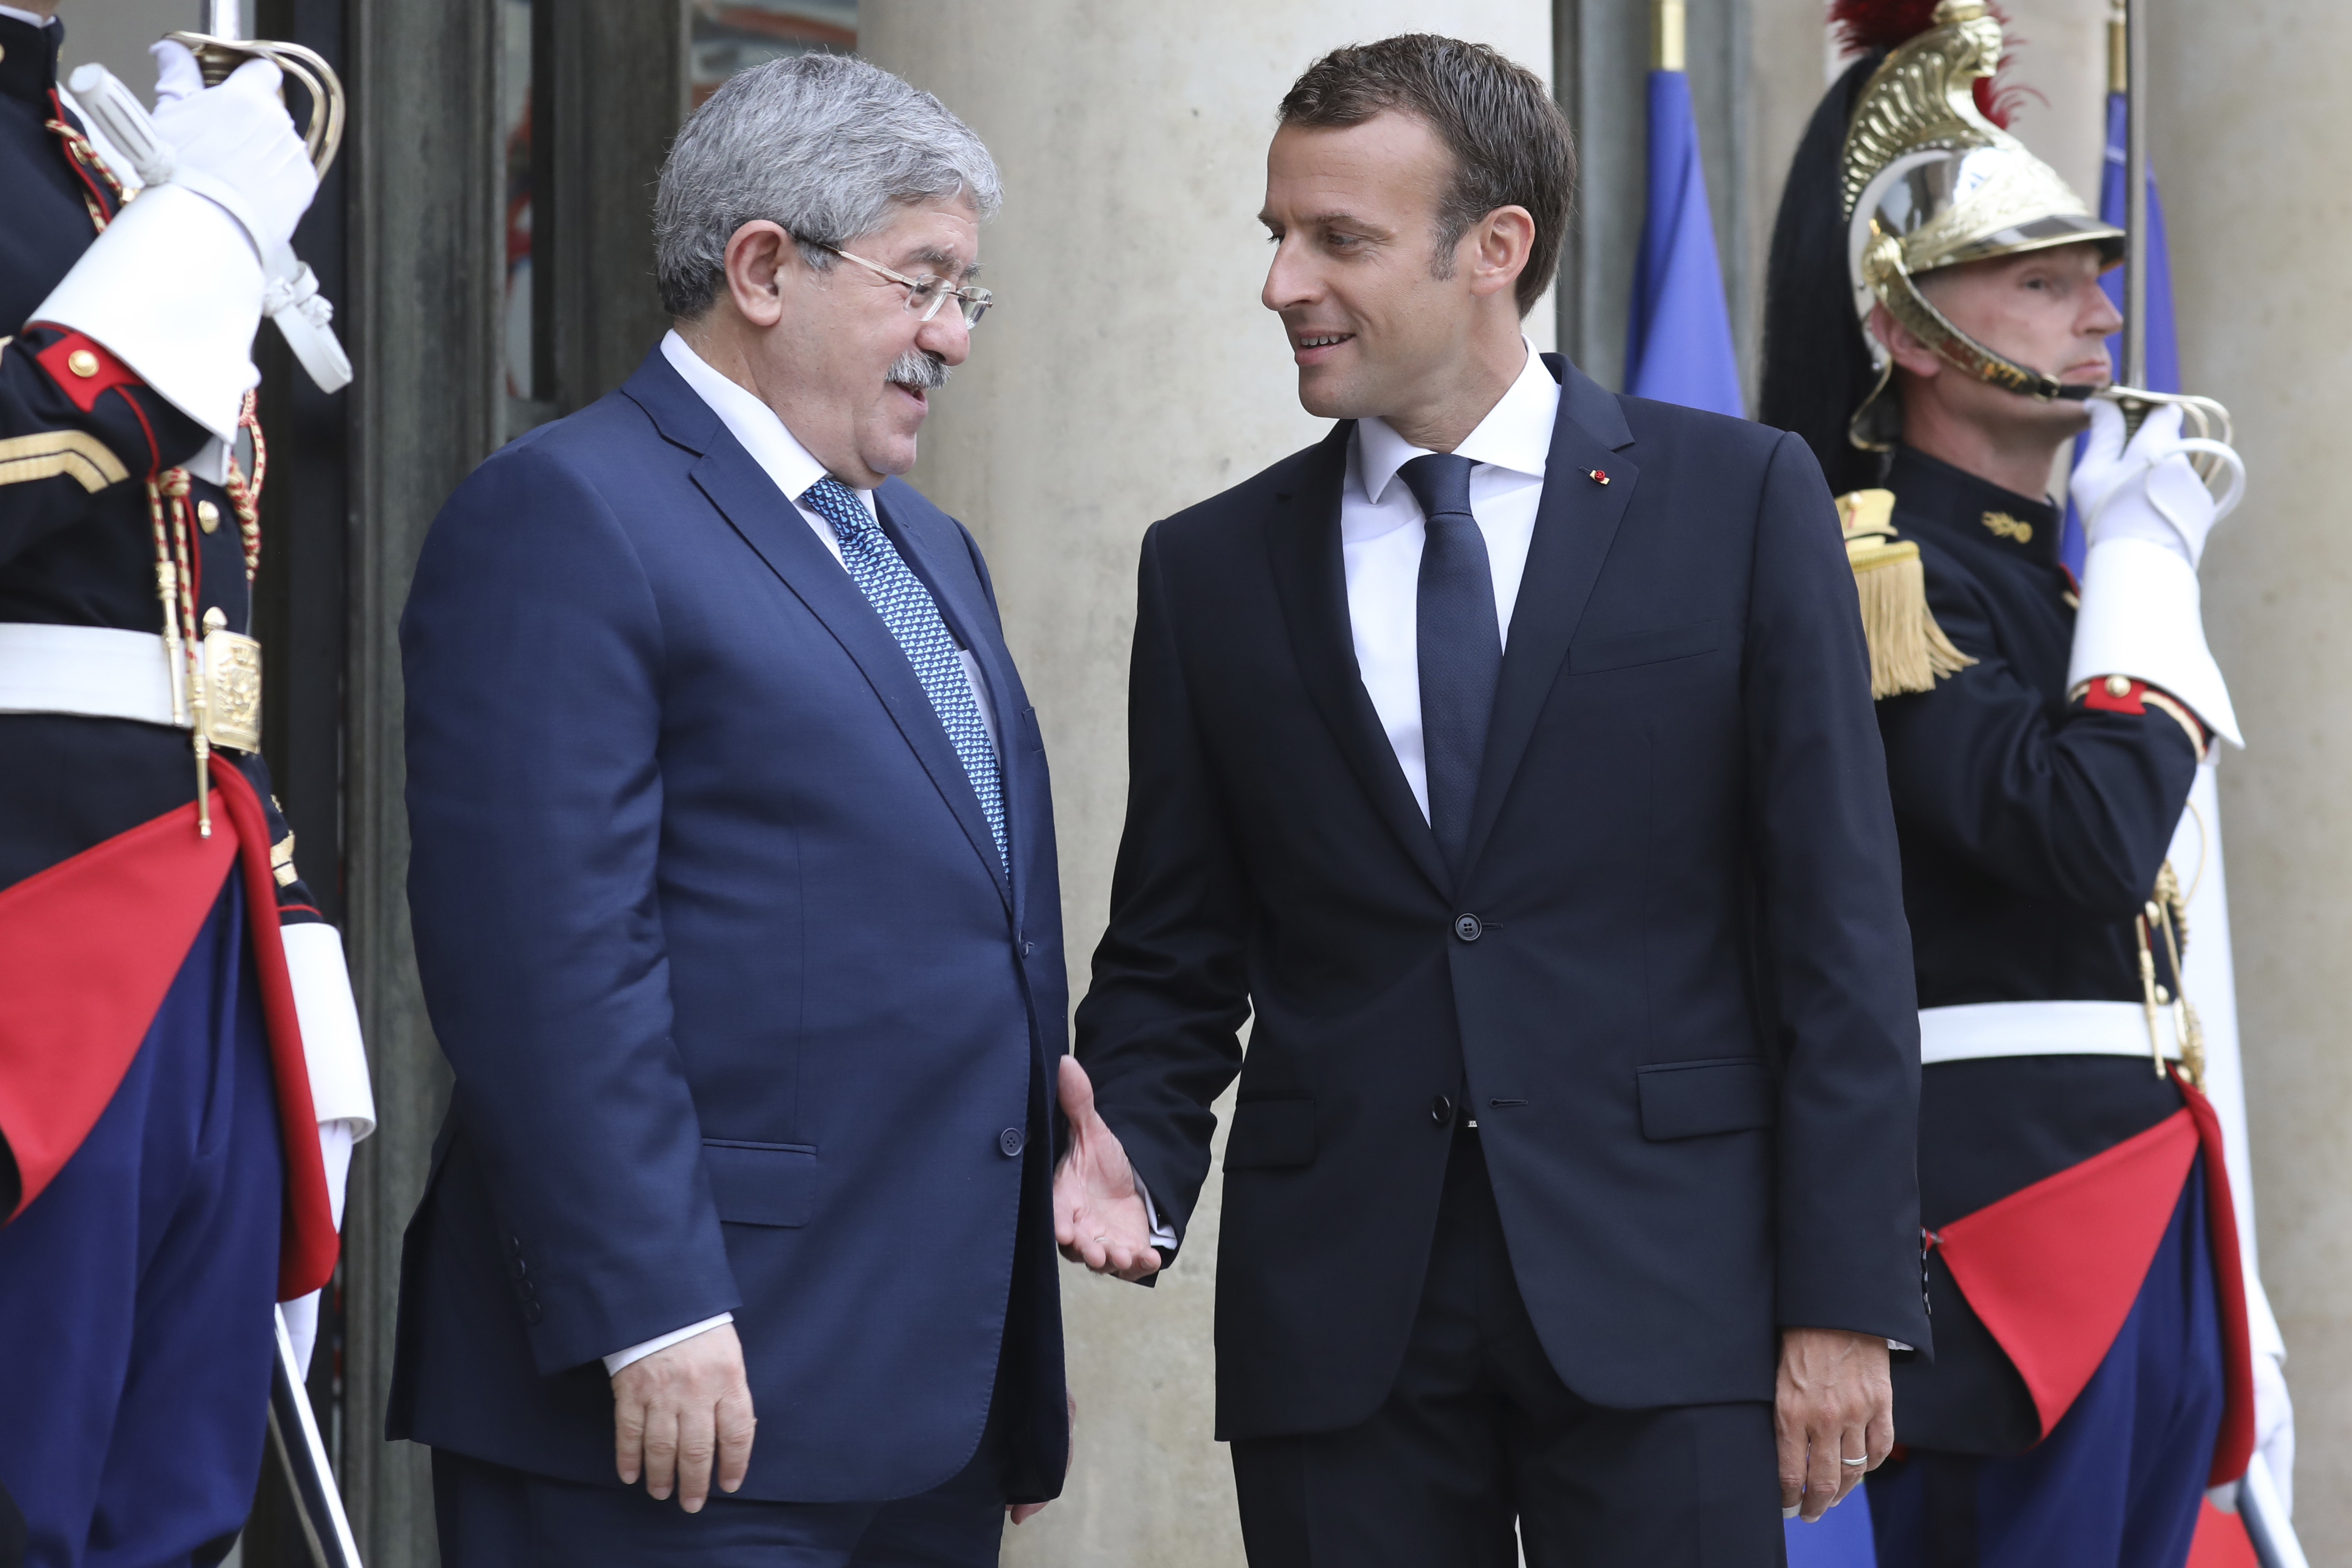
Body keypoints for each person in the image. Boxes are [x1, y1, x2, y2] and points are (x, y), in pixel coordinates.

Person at [1051, 33, 1930, 1566]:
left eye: (1339, 239)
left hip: (1670, 1302)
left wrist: (1842, 1299)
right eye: (1277, 235)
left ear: (1494, 249)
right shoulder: (1208, 569)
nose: (1281, 283)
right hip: (1339, 1324)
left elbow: (1838, 931)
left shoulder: (1739, 500)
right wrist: (1136, 1141)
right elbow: (1175, 947)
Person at [394, 53, 1072, 1564]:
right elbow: (543, 959)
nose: (952, 337)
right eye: (925, 282)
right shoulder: (566, 511)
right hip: (681, 1394)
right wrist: (652, 1304)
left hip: (922, 1392)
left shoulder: (932, 549)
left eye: (970, 294)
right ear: (763, 267)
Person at [1757, 3, 2286, 1562]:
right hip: (2006, 1218)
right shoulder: (1882, 574)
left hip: (2139, 1183)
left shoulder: (2026, 584)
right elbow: (2081, 835)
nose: (2097, 320)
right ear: (1911, 331)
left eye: (2093, 280)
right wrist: (2140, 566)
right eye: (2040, 284)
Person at [0, 9, 374, 1564]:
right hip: (34, 908)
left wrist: (270, 885)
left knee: (173, 1501)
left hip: (192, 887)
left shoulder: (74, 144)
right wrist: (205, 234)